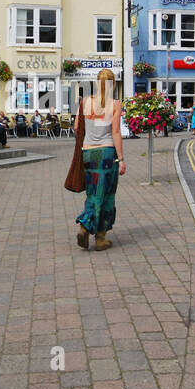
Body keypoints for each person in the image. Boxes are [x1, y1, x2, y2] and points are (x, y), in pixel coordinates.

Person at [75, 68, 126, 252]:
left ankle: (87, 226)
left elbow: (76, 127)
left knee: (93, 192)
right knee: (107, 195)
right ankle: (98, 236)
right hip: (106, 154)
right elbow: (116, 132)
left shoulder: (85, 102)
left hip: (88, 153)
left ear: (97, 82)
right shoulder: (115, 104)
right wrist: (121, 159)